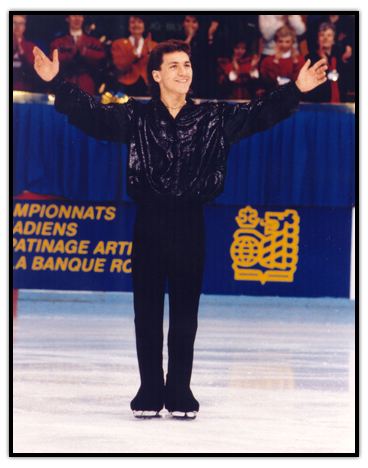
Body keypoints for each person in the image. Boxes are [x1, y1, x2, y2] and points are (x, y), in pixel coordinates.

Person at [33, 39, 327, 419]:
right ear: (156, 75)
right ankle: (150, 388)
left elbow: (258, 113)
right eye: (174, 66)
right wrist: (58, 83)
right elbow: (93, 115)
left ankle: (180, 389)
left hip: (191, 222)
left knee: (186, 312)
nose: (183, 72)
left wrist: (295, 89)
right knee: (148, 311)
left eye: (186, 65)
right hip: (150, 222)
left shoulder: (213, 119)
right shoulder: (136, 117)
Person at [49, 15, 106, 95]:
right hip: (65, 87)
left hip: (87, 87)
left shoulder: (93, 42)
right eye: (74, 15)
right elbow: (53, 60)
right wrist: (70, 55)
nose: (77, 19)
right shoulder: (58, 42)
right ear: (67, 18)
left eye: (80, 15)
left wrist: (85, 52)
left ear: (83, 18)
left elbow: (101, 60)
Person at [110, 15, 157, 96]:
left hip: (147, 86)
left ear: (144, 25)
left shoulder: (153, 45)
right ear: (128, 25)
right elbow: (120, 67)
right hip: (125, 86)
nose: (136, 25)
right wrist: (133, 52)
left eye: (139, 22)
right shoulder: (119, 44)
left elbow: (157, 68)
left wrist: (149, 51)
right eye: (132, 22)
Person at [303, 22, 346, 103]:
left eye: (329, 35)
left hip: (340, 104)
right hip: (318, 104)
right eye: (322, 35)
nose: (325, 38)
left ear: (333, 40)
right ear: (318, 39)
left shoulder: (340, 58)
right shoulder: (310, 59)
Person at [260, 25, 305, 95]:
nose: (284, 45)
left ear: (292, 43)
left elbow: (299, 82)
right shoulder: (267, 61)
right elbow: (268, 82)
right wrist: (275, 61)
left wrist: (295, 61)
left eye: (287, 42)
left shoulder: (300, 60)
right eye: (281, 41)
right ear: (276, 42)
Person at [13, 15, 37, 91]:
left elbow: (32, 71)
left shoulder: (30, 47)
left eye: (21, 24)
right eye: (14, 22)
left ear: (24, 28)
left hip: (24, 91)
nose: (17, 26)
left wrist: (21, 51)